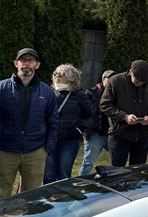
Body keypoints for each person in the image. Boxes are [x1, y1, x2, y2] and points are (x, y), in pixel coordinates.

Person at [0, 48, 58, 197]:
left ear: (37, 65)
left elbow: (53, 121)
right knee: (1, 192)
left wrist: (47, 148)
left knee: (32, 196)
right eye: (23, 60)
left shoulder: (47, 92)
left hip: (35, 151)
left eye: (30, 60)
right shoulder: (2, 88)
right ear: (16, 63)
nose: (26, 64)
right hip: (5, 150)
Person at [100, 60, 148, 167]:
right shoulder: (116, 81)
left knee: (138, 171)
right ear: (131, 72)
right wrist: (124, 116)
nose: (140, 84)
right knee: (116, 172)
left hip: (142, 136)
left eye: (143, 82)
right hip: (119, 134)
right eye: (137, 81)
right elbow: (105, 105)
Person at [43, 64, 91, 183]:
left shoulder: (79, 96)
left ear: (71, 77)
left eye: (61, 74)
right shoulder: (49, 93)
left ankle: (64, 200)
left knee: (64, 173)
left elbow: (89, 115)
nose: (56, 77)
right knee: (48, 174)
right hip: (50, 140)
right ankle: (48, 200)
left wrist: (79, 129)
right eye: (55, 74)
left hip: (69, 141)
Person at [78, 70, 116, 175]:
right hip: (95, 134)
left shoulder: (118, 93)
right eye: (110, 79)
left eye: (114, 79)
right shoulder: (91, 93)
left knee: (117, 163)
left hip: (111, 134)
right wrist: (85, 128)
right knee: (88, 163)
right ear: (103, 79)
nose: (112, 81)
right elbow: (83, 112)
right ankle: (81, 185)